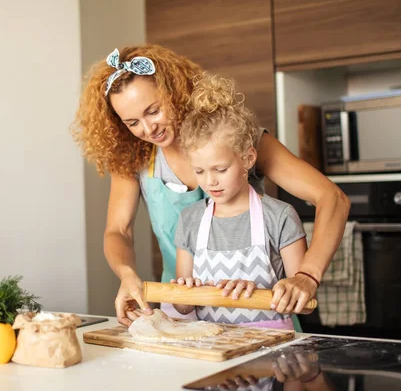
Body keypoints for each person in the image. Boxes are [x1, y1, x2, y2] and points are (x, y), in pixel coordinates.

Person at [70, 45, 350, 326]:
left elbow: (332, 198)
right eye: (133, 122)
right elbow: (118, 231)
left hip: (263, 314)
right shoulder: (136, 157)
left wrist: (306, 276)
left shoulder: (235, 137)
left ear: (174, 92)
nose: (148, 129)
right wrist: (127, 274)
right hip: (184, 311)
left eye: (153, 111)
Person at [171, 74, 306, 330]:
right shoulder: (190, 220)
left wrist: (256, 293)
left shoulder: (280, 217)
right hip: (212, 350)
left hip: (271, 352)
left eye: (220, 169)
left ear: (247, 158)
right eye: (199, 171)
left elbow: (303, 297)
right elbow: (182, 307)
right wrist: (185, 293)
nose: (210, 182)